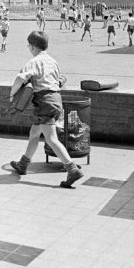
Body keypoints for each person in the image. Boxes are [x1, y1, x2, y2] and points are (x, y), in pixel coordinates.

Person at [7, 30, 83, 188]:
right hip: (56, 100)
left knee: (51, 138)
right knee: (34, 133)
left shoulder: (33, 62)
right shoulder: (53, 61)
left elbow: (20, 78)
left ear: (33, 47)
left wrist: (12, 95)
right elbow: (60, 80)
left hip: (43, 102)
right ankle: (23, 164)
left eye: (29, 45)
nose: (28, 48)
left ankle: (72, 168)